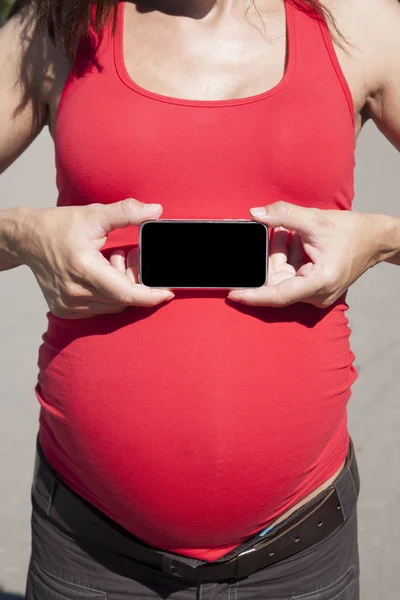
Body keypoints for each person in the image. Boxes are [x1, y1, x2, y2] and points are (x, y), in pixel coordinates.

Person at [1, 0, 400, 598]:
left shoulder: (358, 22)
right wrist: (23, 237)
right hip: (90, 552)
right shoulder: (57, 23)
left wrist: (379, 239)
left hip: (300, 554)